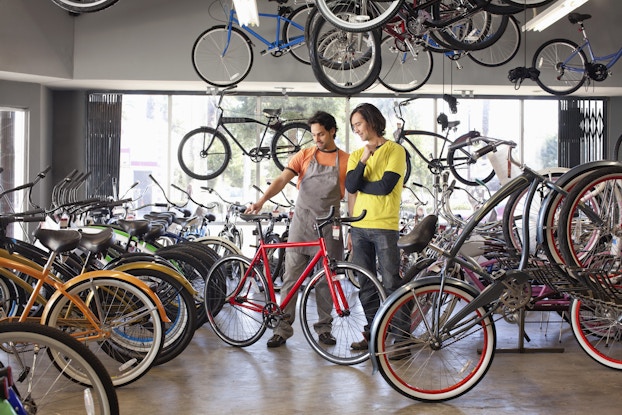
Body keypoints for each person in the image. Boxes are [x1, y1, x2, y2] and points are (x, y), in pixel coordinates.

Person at [246, 111, 350, 348]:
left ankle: (324, 329)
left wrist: (351, 224)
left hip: (329, 227)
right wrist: (262, 201)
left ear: (332, 130)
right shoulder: (304, 155)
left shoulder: (346, 160)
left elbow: (352, 193)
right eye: (314, 134)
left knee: (326, 281)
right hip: (301, 224)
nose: (317, 139)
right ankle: (282, 329)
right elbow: (282, 179)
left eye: (321, 134)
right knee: (291, 279)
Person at [344, 103, 408, 355]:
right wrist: (363, 160)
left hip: (384, 226)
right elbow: (350, 186)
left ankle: (403, 340)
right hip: (359, 227)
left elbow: (385, 187)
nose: (356, 129)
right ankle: (373, 334)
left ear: (371, 121)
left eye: (358, 124)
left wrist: (362, 184)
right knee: (366, 285)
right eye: (353, 126)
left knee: (392, 283)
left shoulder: (396, 150)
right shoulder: (355, 155)